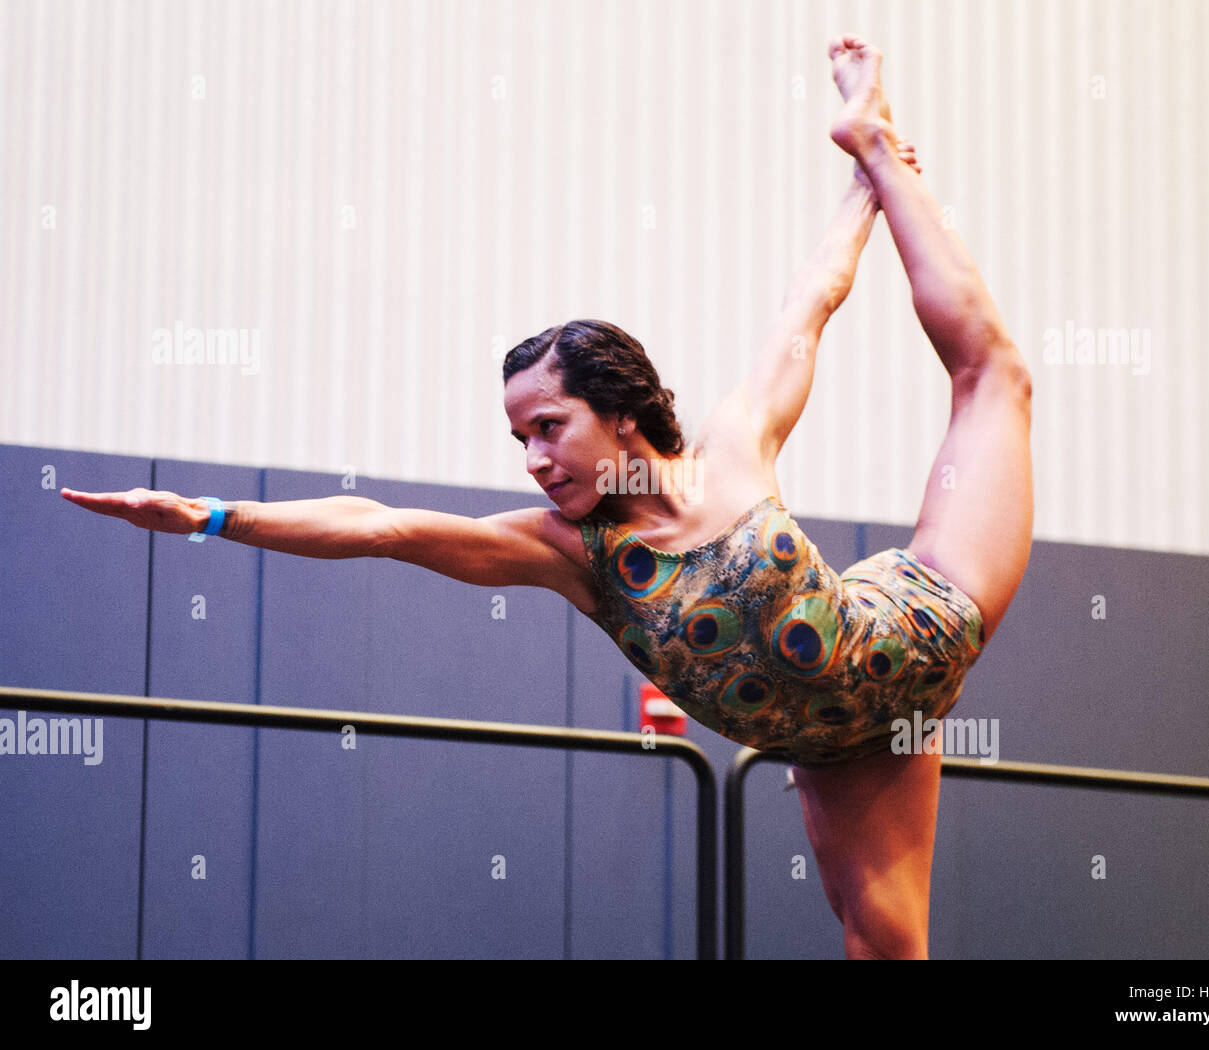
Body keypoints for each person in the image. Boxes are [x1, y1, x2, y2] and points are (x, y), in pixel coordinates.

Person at [62, 37, 1032, 959]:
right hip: (843, 742)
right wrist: (216, 519)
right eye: (518, 437)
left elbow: (812, 298)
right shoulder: (576, 557)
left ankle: (874, 142)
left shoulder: (734, 449)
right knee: (888, 945)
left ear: (618, 412)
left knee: (993, 377)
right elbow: (384, 528)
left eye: (547, 427)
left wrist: (870, 180)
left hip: (922, 618)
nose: (531, 458)